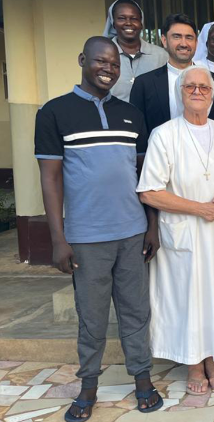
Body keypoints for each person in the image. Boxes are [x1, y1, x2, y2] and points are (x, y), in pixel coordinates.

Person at [34, 36, 162, 422]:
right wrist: (59, 238)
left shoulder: (131, 114)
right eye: (100, 61)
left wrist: (152, 226)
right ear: (82, 60)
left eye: (113, 64)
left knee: (136, 312)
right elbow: (51, 179)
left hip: (132, 233)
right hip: (87, 238)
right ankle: (88, 387)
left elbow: (145, 177)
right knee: (91, 318)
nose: (108, 68)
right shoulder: (55, 112)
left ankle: (142, 379)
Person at [137, 65, 214, 395]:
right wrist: (200, 208)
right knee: (186, 297)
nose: (197, 91)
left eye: (204, 88)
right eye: (190, 87)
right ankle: (193, 363)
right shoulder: (164, 134)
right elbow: (149, 191)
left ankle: (213, 358)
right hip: (182, 230)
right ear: (179, 93)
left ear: (213, 95)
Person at [130, 13, 214, 135]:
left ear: (196, 42)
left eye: (189, 37)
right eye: (177, 37)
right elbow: (137, 131)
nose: (184, 43)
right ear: (164, 40)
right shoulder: (144, 84)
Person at [103, 0, 168, 102]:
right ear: (113, 23)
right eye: (121, 18)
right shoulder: (103, 55)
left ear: (141, 23)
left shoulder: (161, 55)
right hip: (113, 117)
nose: (128, 23)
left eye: (134, 18)